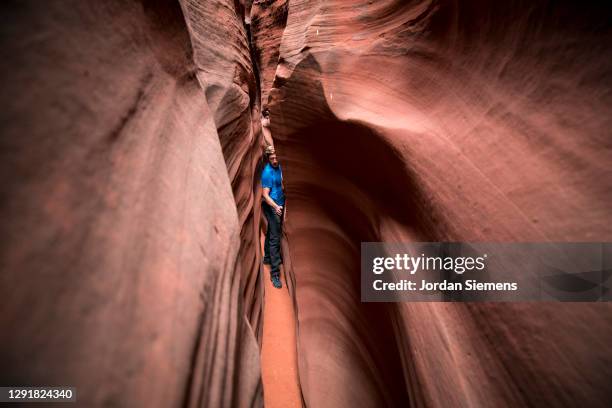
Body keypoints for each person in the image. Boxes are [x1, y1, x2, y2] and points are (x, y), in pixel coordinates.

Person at [261, 145, 285, 289]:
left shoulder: (279, 166)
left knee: (271, 231)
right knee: (275, 239)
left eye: (276, 157)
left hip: (279, 203)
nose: (275, 160)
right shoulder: (267, 172)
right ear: (268, 157)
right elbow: (265, 194)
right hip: (272, 206)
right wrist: (276, 207)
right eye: (272, 158)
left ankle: (267, 258)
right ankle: (275, 274)